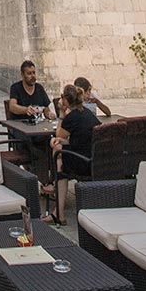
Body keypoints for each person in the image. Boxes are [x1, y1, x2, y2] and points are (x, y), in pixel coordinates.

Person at [46, 83, 98, 224]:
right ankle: (57, 208)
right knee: (59, 148)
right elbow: (81, 140)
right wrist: (64, 142)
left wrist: (62, 113)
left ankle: (59, 211)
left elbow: (59, 133)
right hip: (95, 160)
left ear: (66, 101)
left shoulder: (71, 117)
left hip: (83, 163)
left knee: (58, 156)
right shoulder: (88, 113)